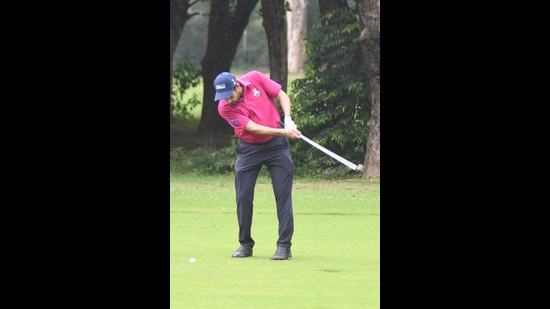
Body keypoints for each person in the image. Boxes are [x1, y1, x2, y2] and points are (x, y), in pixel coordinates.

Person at [213, 70, 301, 260]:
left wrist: (287, 119)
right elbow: (253, 128)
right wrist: (284, 132)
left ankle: (284, 246)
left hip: (277, 148)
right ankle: (245, 244)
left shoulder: (255, 78)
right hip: (249, 150)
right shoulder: (224, 107)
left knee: (282, 195)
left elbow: (280, 94)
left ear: (237, 85)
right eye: (223, 97)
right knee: (243, 197)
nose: (227, 100)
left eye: (229, 95)